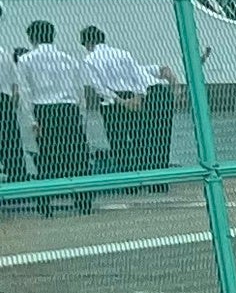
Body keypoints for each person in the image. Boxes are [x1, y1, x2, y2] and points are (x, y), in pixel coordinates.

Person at [11, 20, 90, 207]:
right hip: (68, 109)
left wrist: (31, 119)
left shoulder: (25, 60)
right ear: (53, 36)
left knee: (47, 156)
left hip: (44, 110)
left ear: (31, 38)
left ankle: (46, 201)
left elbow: (26, 92)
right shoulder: (69, 59)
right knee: (76, 155)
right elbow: (80, 89)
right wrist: (81, 112)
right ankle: (83, 199)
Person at [80, 24, 162, 174]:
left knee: (118, 142)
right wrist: (137, 97)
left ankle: (126, 177)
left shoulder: (89, 59)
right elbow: (139, 76)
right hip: (133, 97)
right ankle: (144, 174)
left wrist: (121, 101)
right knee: (139, 139)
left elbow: (100, 88)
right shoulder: (123, 53)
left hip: (112, 103)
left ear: (88, 43)